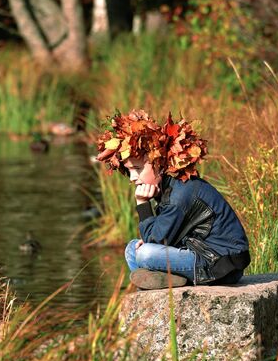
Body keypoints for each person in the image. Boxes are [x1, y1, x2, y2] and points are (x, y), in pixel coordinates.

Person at [95, 109, 250, 290]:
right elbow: (163, 235)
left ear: (159, 165)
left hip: (220, 263)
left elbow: (155, 241)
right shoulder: (169, 188)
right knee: (131, 250)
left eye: (137, 169)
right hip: (199, 251)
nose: (132, 178)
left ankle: (167, 280)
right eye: (129, 171)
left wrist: (142, 204)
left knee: (145, 253)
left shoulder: (179, 194)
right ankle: (168, 280)